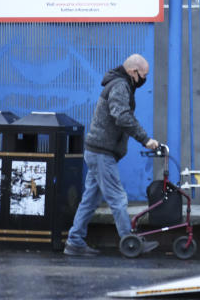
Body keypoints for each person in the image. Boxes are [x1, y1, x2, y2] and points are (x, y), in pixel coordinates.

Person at [64, 53, 160, 256]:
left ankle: (74, 241)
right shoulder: (120, 86)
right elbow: (122, 116)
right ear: (133, 72)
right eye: (144, 74)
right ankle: (130, 241)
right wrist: (145, 139)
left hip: (97, 151)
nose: (145, 79)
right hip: (101, 153)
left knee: (90, 199)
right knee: (117, 198)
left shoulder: (120, 84)